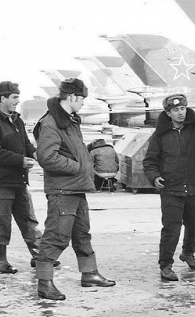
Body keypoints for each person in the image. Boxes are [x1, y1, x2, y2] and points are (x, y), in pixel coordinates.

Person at [35, 78, 115, 301]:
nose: (82, 104)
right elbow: (47, 156)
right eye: (81, 99)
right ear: (71, 97)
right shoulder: (52, 122)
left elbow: (68, 150)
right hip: (63, 189)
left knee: (82, 234)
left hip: (75, 188)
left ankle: (89, 274)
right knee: (57, 235)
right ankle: (44, 283)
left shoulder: (69, 120)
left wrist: (85, 158)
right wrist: (78, 167)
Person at [0, 81, 44, 274]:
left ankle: (38, 255)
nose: (17, 101)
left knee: (28, 220)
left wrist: (35, 153)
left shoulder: (16, 120)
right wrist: (20, 161)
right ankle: (1, 262)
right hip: (1, 182)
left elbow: (25, 143)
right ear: (2, 98)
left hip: (18, 180)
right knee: (2, 221)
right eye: (14, 97)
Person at [143, 94, 195, 281]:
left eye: (183, 108)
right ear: (168, 113)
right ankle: (165, 265)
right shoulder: (159, 135)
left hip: (194, 189)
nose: (181, 113)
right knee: (171, 229)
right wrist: (154, 177)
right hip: (171, 189)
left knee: (193, 224)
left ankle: (188, 253)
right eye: (175, 110)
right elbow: (149, 162)